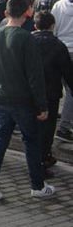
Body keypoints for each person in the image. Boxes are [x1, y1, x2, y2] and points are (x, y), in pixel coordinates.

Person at [0, 0, 53, 200]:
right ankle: (37, 186)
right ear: (28, 13)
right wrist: (42, 105)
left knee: (0, 140)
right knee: (31, 141)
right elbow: (35, 75)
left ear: (6, 13)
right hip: (22, 99)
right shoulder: (26, 38)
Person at [31, 11, 73, 174]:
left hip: (30, 93)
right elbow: (67, 72)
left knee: (32, 128)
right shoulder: (58, 45)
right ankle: (43, 159)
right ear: (52, 26)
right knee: (47, 130)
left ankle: (36, 158)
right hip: (51, 93)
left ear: (35, 25)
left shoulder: (27, 41)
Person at [51, 0, 73, 143]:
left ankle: (57, 122)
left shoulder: (58, 5)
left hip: (59, 48)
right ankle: (64, 127)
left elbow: (53, 26)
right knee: (71, 91)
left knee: (57, 88)